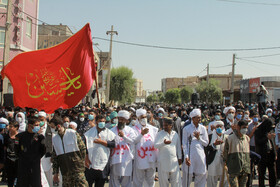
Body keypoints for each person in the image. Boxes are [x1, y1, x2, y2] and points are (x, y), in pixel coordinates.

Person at [50, 116, 88, 187]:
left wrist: (80, 162)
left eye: (52, 127)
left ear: (58, 126)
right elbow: (55, 157)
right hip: (65, 171)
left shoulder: (72, 133)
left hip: (77, 169)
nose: (51, 129)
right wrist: (56, 173)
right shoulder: (55, 139)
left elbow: (82, 149)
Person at [84, 114, 116, 187]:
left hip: (103, 162)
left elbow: (113, 144)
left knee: (100, 183)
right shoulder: (89, 133)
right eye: (100, 121)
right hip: (91, 162)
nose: (102, 123)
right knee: (88, 183)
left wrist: (102, 142)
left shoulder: (109, 133)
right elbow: (85, 146)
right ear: (96, 122)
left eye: (103, 121)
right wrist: (86, 158)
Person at [15, 117, 46, 187]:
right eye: (36, 125)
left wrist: (35, 158)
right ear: (29, 125)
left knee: (36, 183)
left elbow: (43, 150)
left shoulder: (40, 137)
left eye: (39, 125)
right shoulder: (20, 137)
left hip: (35, 165)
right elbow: (17, 150)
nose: (38, 127)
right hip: (23, 165)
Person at [182, 108, 209, 187]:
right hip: (190, 155)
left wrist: (199, 138)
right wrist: (186, 156)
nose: (200, 119)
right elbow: (184, 144)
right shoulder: (186, 129)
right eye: (198, 117)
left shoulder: (203, 128)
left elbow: (206, 143)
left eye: (200, 117)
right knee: (187, 175)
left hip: (200, 155)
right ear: (193, 118)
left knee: (201, 174)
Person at [109, 110, 136, 187]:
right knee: (114, 179)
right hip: (115, 158)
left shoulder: (130, 130)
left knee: (126, 179)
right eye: (119, 119)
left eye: (123, 119)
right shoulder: (112, 130)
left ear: (126, 121)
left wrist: (124, 136)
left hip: (126, 158)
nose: (120, 121)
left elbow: (133, 141)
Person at [132, 108, 158, 187]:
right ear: (138, 119)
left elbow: (156, 143)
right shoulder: (133, 129)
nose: (144, 119)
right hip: (140, 159)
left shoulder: (153, 129)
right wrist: (141, 134)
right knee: (138, 180)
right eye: (142, 117)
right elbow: (133, 142)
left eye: (145, 117)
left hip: (151, 159)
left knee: (150, 180)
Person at [154, 117, 182, 187]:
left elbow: (178, 146)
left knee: (176, 181)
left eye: (166, 125)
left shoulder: (175, 134)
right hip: (163, 162)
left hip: (174, 161)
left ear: (171, 125)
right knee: (164, 182)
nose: (164, 127)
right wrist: (163, 143)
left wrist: (180, 157)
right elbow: (155, 146)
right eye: (163, 125)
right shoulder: (160, 134)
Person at [224, 120, 250, 187]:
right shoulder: (229, 138)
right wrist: (225, 163)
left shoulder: (247, 138)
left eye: (246, 128)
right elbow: (225, 153)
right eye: (244, 127)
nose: (245, 129)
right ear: (238, 127)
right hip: (234, 168)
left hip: (245, 168)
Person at [255, 118, 277, 187]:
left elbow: (272, 143)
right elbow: (258, 142)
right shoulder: (258, 131)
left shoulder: (269, 131)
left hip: (270, 154)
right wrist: (266, 137)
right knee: (261, 173)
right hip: (262, 155)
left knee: (272, 173)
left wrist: (275, 154)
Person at [207, 121, 228, 187]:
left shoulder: (227, 137)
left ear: (223, 127)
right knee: (212, 179)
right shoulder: (210, 136)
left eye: (220, 126)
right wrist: (214, 144)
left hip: (223, 160)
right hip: (213, 160)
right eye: (217, 126)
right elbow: (207, 148)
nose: (219, 128)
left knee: (224, 179)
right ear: (215, 128)